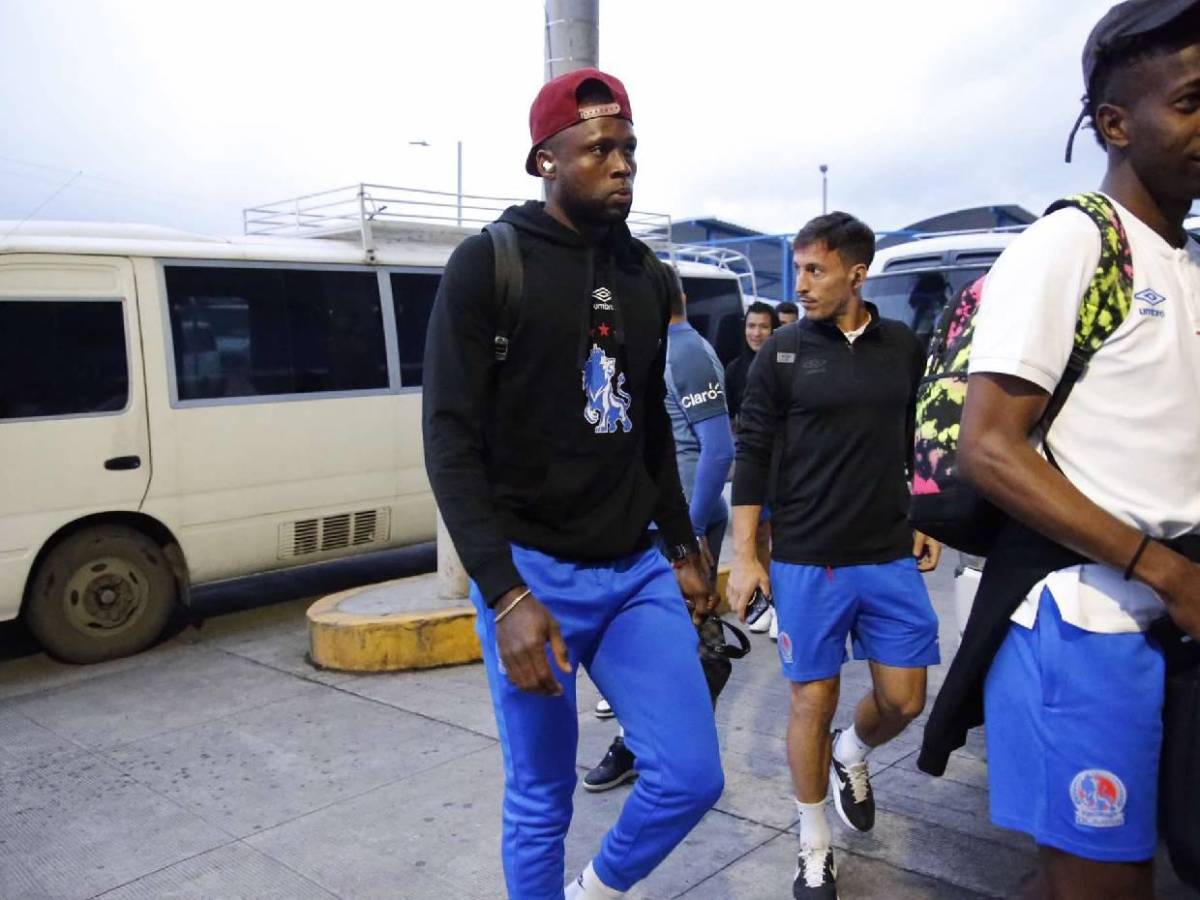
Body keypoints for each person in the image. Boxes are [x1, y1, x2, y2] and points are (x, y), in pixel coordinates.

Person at [422, 68, 723, 900]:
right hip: (534, 576)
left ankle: (593, 892)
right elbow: (448, 440)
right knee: (542, 797)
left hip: (634, 572)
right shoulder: (489, 264)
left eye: (628, 148)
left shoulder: (647, 275)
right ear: (545, 161)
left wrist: (681, 544)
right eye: (598, 149)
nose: (621, 165)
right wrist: (505, 595)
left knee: (690, 775)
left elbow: (649, 426)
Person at [920, 4, 1200, 898]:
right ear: (1116, 124)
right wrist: (1163, 568)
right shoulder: (1074, 242)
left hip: (1172, 614)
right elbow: (991, 450)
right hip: (1085, 626)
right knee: (1103, 883)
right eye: (1191, 102)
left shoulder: (1185, 259)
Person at [728, 212, 942, 898]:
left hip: (886, 552)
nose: (802, 283)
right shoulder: (783, 351)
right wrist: (746, 555)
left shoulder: (902, 346)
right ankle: (813, 842)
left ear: (857, 273)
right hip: (806, 556)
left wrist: (924, 511)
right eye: (798, 269)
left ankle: (853, 751)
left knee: (905, 699)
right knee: (810, 704)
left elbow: (919, 434)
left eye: (815, 270)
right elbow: (751, 453)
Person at [584, 266, 736, 792]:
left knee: (679, 647)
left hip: (682, 526)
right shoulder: (657, 350)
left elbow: (719, 449)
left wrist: (688, 535)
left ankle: (652, 749)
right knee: (665, 646)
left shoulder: (684, 352)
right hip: (659, 524)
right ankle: (651, 744)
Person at [723, 300, 779, 428]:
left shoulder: (785, 367)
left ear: (773, 330)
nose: (756, 333)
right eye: (751, 326)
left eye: (764, 327)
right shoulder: (734, 369)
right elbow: (729, 416)